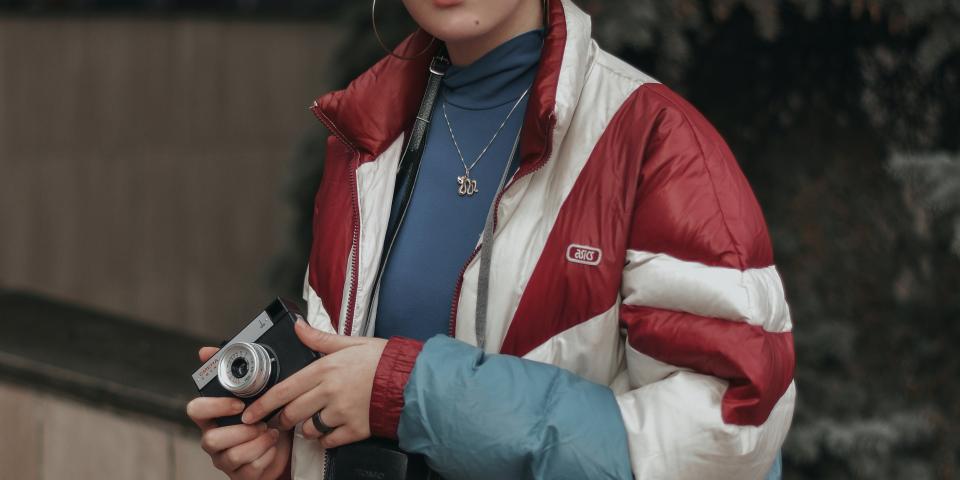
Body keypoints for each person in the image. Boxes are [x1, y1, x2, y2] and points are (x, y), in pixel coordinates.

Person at [185, 0, 796, 478]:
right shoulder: (367, 141)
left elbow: (725, 442)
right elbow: (366, 406)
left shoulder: (657, 144)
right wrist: (289, 457)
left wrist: (413, 392)